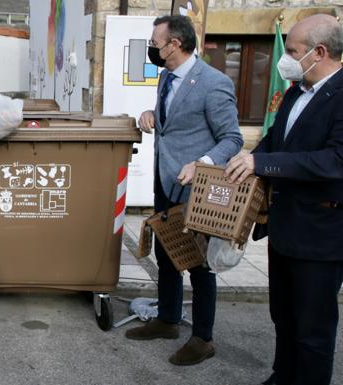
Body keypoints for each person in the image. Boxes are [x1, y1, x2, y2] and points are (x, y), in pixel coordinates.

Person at [225, 14, 343, 385]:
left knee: (312, 330)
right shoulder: (296, 90)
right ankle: (283, 375)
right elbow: (276, 139)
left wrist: (263, 162)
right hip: (285, 228)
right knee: (284, 316)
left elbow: (334, 161)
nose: (285, 59)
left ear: (319, 52)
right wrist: (249, 158)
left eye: (292, 51)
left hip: (320, 237)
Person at [125, 15, 243, 365]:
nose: (153, 47)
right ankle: (168, 320)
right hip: (166, 184)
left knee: (200, 265)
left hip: (198, 190)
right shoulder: (166, 77)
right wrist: (151, 114)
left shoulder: (213, 82)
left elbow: (232, 138)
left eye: (155, 42)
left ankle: (203, 339)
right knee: (167, 256)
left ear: (174, 44)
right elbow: (173, 122)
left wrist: (202, 162)